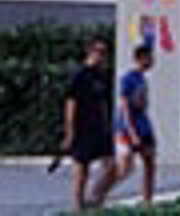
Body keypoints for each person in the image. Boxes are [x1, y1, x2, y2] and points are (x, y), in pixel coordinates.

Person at [60, 37, 114, 211]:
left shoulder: (102, 76)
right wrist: (69, 131)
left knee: (112, 166)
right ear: (90, 52)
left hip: (100, 128)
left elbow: (104, 103)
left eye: (105, 53)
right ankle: (77, 207)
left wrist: (109, 125)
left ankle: (95, 198)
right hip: (83, 128)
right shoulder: (80, 75)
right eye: (100, 52)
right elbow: (70, 104)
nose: (103, 56)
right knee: (81, 171)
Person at [105, 43, 159, 206]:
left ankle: (147, 201)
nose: (152, 61)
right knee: (125, 168)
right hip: (127, 127)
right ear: (140, 59)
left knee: (150, 162)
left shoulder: (142, 78)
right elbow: (124, 107)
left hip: (143, 125)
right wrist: (131, 131)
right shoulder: (128, 79)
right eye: (149, 58)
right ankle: (100, 192)